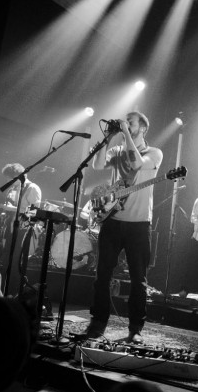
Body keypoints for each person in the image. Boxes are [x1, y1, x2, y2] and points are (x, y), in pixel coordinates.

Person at [81, 111, 163, 344]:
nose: (126, 124)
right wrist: (108, 138)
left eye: (131, 123)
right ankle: (98, 323)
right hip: (113, 221)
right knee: (102, 275)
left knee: (139, 280)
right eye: (126, 122)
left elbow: (136, 163)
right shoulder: (117, 151)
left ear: (143, 128)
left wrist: (125, 132)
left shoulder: (154, 153)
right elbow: (97, 165)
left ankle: (135, 328)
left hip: (139, 224)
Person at [0, 163, 43, 294]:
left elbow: (34, 211)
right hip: (12, 227)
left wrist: (9, 208)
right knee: (6, 260)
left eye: (9, 178)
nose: (7, 181)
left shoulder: (32, 188)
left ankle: (14, 293)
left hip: (24, 229)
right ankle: (3, 292)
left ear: (18, 176)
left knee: (16, 262)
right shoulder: (15, 189)